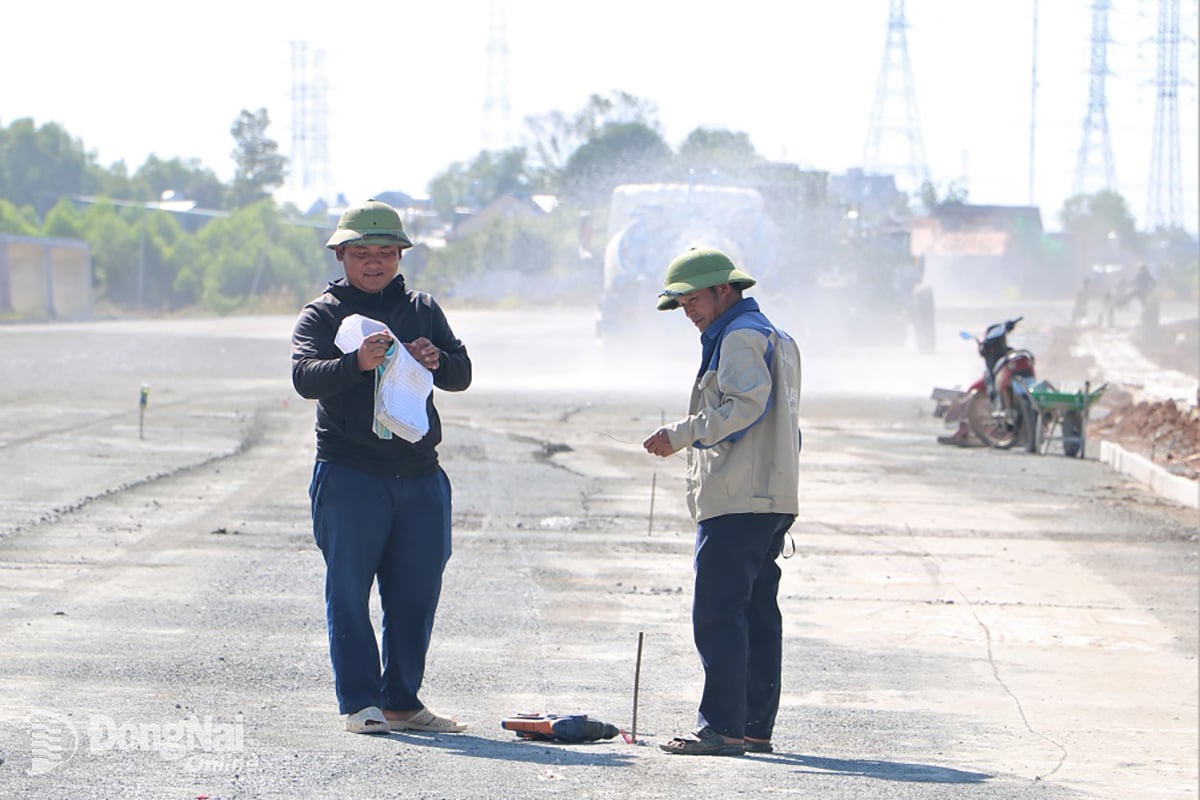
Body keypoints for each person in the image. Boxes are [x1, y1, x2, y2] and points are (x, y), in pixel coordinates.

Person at [291, 198, 472, 735]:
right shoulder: (322, 313)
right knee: (348, 590)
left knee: (416, 592)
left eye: (386, 252)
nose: (375, 262)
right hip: (350, 474)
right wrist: (355, 363)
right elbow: (305, 377)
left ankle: (402, 702)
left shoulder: (422, 308)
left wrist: (439, 361)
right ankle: (361, 704)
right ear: (341, 255)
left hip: (419, 474)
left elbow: (461, 374)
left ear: (401, 256)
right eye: (363, 252)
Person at [642, 247, 802, 757]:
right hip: (771, 497)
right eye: (682, 302)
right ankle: (754, 727)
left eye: (693, 299)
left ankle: (722, 727)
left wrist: (682, 434)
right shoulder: (775, 335)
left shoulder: (738, 338)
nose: (688, 310)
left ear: (725, 290)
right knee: (756, 612)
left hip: (739, 499)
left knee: (718, 612)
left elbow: (744, 407)